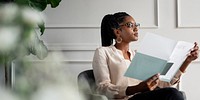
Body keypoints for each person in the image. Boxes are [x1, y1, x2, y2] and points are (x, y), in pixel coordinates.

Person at [92, 12, 199, 100]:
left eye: (136, 25)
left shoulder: (137, 55)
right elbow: (102, 87)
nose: (136, 29)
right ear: (117, 32)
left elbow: (163, 84)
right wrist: (136, 88)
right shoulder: (103, 52)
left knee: (174, 93)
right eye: (130, 25)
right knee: (173, 94)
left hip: (143, 97)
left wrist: (186, 61)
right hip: (126, 99)